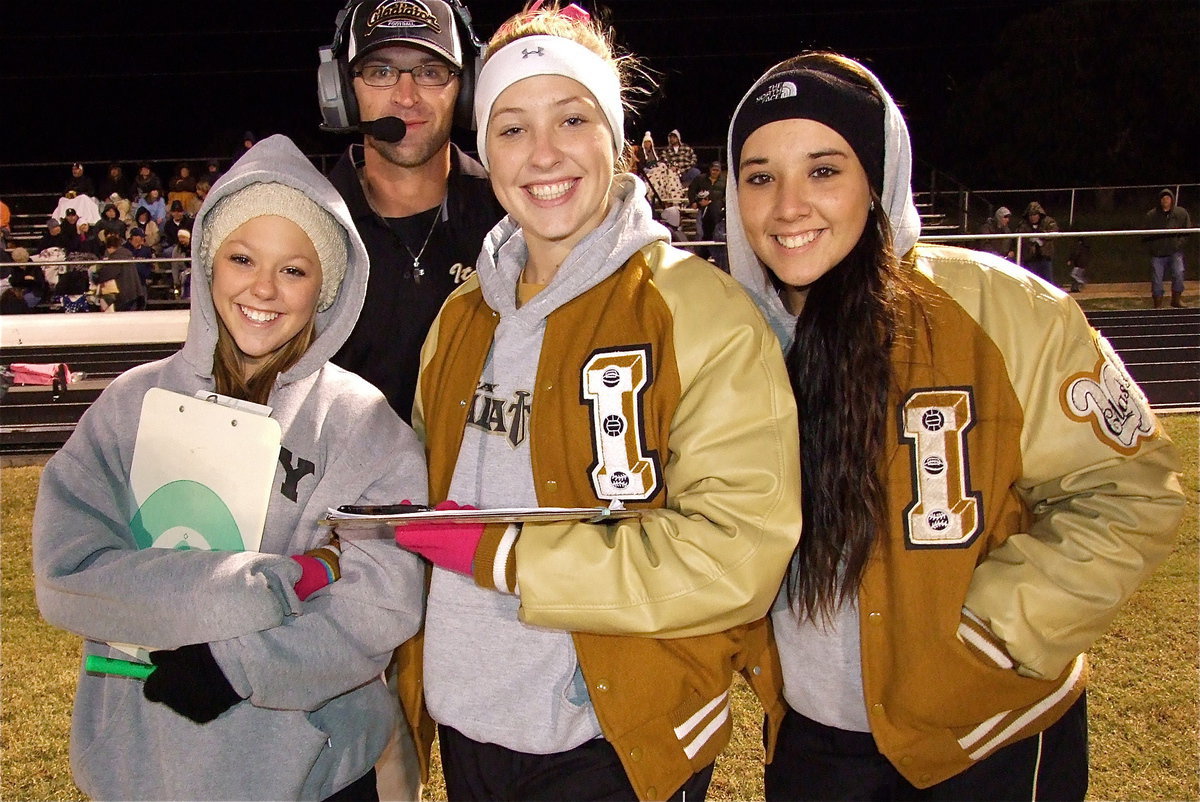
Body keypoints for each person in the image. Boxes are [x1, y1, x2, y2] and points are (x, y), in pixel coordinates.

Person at [724, 52, 1185, 800]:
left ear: (879, 178)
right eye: (760, 175)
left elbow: (1131, 493)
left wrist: (988, 634)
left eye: (824, 169)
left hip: (986, 738)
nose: (788, 205)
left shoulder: (1005, 311)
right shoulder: (735, 342)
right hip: (813, 744)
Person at [390, 6, 801, 801]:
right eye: (511, 128)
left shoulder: (701, 312)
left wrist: (507, 558)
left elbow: (738, 554)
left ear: (615, 137)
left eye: (572, 118)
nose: (543, 153)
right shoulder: (459, 318)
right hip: (470, 724)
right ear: (482, 149)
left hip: (612, 737)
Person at [33, 134, 428, 801]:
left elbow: (378, 604)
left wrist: (240, 665)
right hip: (144, 767)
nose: (264, 289)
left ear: (326, 287)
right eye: (242, 258)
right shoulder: (129, 406)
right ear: (209, 262)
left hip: (314, 777)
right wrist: (270, 585)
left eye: (294, 270)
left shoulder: (362, 427)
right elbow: (67, 574)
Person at [323, 0, 504, 423]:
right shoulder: (306, 225)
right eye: (381, 72)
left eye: (430, 71)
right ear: (344, 90)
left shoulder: (513, 218)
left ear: (467, 89)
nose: (406, 98)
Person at [1144, 188, 1191, 308]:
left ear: (1172, 200)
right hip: (1158, 255)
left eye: (1168, 198)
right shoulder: (1151, 215)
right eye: (1163, 198)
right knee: (1157, 280)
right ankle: (1158, 305)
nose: (1165, 200)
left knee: (1179, 273)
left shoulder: (1180, 213)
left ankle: (1176, 300)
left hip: (1174, 252)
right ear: (1160, 200)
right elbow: (1145, 235)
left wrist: (1178, 244)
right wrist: (1153, 248)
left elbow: (1187, 230)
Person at [97, 233, 147, 311]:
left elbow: (108, 274)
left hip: (124, 294)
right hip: (134, 292)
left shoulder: (116, 258)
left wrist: (96, 276)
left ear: (110, 247)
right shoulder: (127, 254)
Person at [1014, 200, 1059, 284]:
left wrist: (1041, 236)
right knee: (1030, 283)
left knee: (1048, 284)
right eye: (1030, 215)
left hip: (1045, 258)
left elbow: (1054, 232)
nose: (1033, 217)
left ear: (1039, 214)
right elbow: (1019, 236)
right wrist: (1030, 239)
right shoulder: (1023, 224)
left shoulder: (1048, 221)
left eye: (1035, 214)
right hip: (1030, 259)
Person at [688, 160, 726, 256]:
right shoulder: (700, 179)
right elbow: (692, 190)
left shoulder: (725, 181)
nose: (715, 172)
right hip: (702, 209)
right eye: (713, 170)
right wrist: (693, 202)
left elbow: (727, 195)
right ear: (710, 169)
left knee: (715, 234)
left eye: (717, 170)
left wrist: (723, 204)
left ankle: (713, 255)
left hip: (717, 212)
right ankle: (699, 256)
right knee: (700, 233)